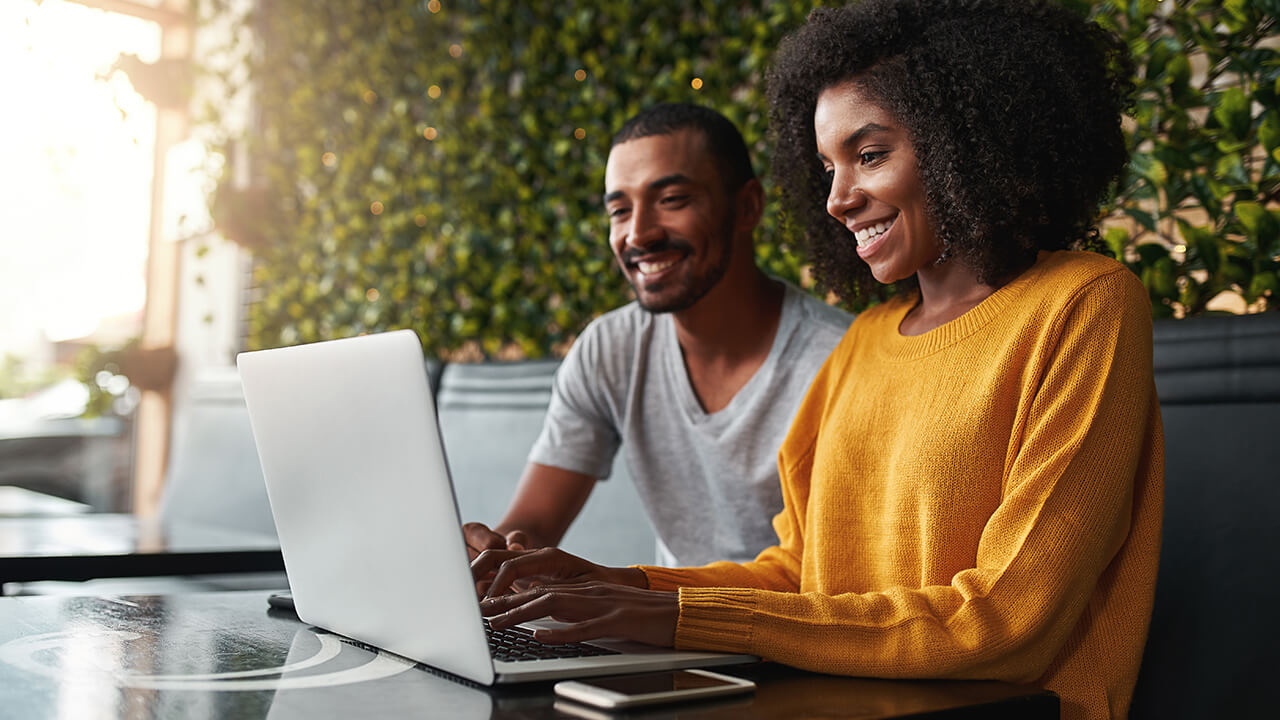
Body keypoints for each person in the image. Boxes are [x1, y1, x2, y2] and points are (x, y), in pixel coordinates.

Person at [471, 2, 1164, 719]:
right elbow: (799, 574)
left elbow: (1008, 620)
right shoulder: (865, 340)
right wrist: (621, 585)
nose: (837, 199)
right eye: (828, 167)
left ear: (965, 141)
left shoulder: (1085, 305)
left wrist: (676, 617)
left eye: (870, 155)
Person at [463, 103, 852, 567]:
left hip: (778, 614)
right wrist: (492, 553)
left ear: (747, 206)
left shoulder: (837, 362)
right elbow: (532, 527)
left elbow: (837, 579)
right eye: (619, 210)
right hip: (657, 613)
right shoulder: (610, 350)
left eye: (672, 200)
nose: (638, 234)